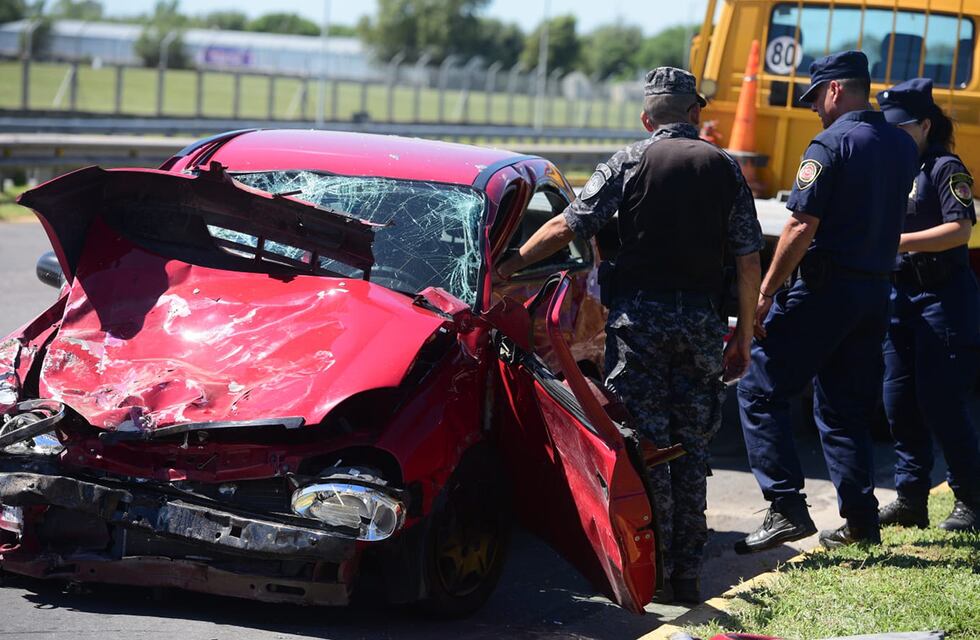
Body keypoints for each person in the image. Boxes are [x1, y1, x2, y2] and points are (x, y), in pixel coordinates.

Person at [495, 67, 763, 603]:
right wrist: (744, 335)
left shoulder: (628, 161)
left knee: (646, 443)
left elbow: (568, 225)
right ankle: (688, 573)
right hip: (701, 326)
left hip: (640, 326)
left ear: (646, 119)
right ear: (695, 114)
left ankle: (652, 568)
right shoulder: (725, 168)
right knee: (692, 445)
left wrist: (508, 266)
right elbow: (747, 258)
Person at [735, 51, 919, 553]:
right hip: (874, 292)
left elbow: (800, 224)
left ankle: (785, 506)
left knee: (758, 385)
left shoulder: (831, 143)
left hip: (825, 289)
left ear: (836, 89)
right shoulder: (902, 146)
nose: (815, 108)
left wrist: (766, 292)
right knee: (844, 407)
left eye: (816, 97)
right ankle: (861, 522)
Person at [876, 78, 980, 532]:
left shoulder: (944, 167)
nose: (895, 135)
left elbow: (960, 229)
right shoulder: (892, 169)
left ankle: (971, 499)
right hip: (900, 296)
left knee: (941, 402)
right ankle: (910, 498)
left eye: (902, 127)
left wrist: (897, 242)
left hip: (943, 299)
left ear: (925, 125)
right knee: (898, 401)